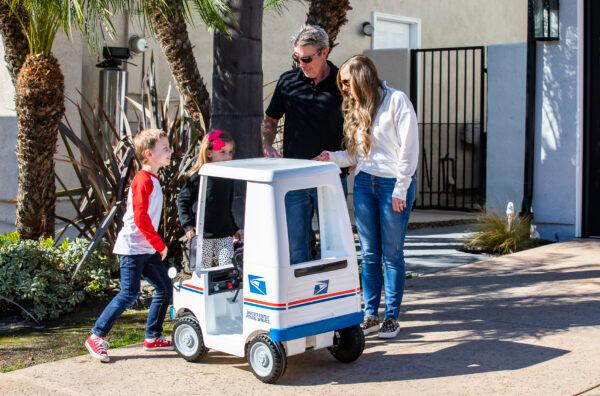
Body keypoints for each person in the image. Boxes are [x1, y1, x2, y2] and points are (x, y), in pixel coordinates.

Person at [315, 55, 419, 339]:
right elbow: (358, 155)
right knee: (369, 253)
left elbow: (409, 149)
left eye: (347, 82)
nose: (344, 89)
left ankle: (392, 316)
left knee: (392, 254)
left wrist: (401, 188)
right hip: (364, 183)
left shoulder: (397, 101)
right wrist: (331, 158)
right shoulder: (359, 108)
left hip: (392, 186)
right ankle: (370, 313)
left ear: (362, 77)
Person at [85, 128, 174, 362]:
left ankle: (152, 337)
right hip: (133, 248)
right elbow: (141, 218)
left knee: (165, 288)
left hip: (146, 248)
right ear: (148, 154)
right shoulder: (143, 180)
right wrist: (159, 244)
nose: (170, 151)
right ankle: (96, 336)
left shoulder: (153, 179)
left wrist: (154, 245)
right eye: (165, 148)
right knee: (128, 293)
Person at [262, 24, 346, 264]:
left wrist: (351, 157)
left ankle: (330, 296)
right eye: (296, 58)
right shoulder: (288, 81)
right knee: (296, 245)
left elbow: (356, 122)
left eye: (307, 58)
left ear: (324, 52)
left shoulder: (342, 83)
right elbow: (270, 118)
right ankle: (300, 296)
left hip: (331, 174)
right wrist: (267, 145)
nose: (301, 63)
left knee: (334, 243)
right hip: (294, 175)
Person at [177, 130, 242, 269]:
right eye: (223, 152)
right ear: (209, 153)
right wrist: (188, 225)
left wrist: (234, 228)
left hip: (224, 234)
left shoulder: (229, 177)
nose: (228, 156)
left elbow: (226, 207)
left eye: (230, 152)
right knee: (204, 269)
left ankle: (227, 291)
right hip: (202, 234)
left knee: (228, 267)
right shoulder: (199, 176)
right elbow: (182, 200)